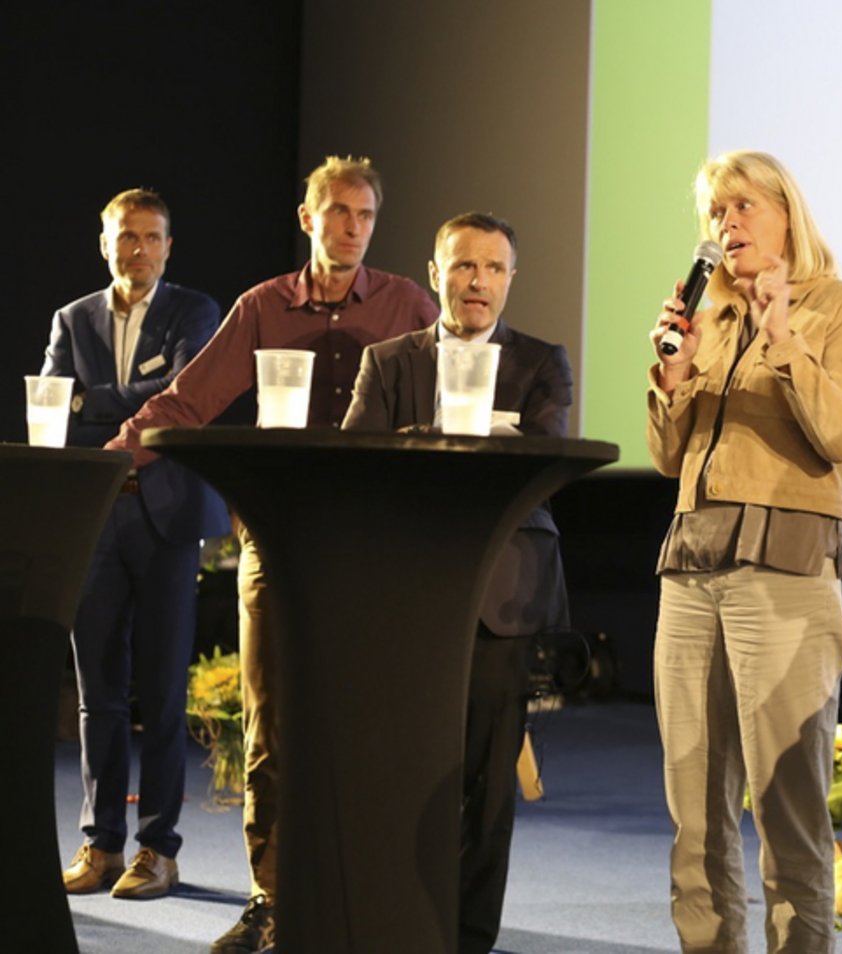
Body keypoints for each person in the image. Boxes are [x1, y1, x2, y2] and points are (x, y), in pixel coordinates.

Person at [106, 156, 438, 954]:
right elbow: (190, 398)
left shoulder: (406, 304)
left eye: (364, 216)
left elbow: (434, 412)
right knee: (271, 729)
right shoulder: (264, 306)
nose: (352, 228)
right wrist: (113, 458)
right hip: (277, 542)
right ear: (307, 218)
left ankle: (360, 898)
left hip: (370, 551)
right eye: (338, 213)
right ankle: (273, 901)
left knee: (368, 728)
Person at [645, 150, 842, 954]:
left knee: (787, 810)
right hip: (691, 568)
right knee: (696, 815)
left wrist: (782, 339)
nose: (727, 224)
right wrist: (672, 380)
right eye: (716, 213)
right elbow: (670, 460)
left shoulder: (839, 307)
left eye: (744, 206)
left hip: (784, 571)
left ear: (788, 214)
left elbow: (841, 433)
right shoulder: (708, 319)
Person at [341, 211, 572, 954]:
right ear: (435, 273)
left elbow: (543, 461)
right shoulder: (389, 361)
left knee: (488, 784)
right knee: (403, 770)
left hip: (504, 593)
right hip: (407, 589)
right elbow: (357, 459)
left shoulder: (541, 362)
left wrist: (425, 446)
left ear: (511, 279)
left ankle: (467, 937)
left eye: (494, 268)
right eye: (464, 266)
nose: (478, 282)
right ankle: (399, 919)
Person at [45, 188, 228, 900]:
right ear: (105, 243)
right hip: (93, 516)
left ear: (169, 247)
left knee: (162, 689)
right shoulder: (72, 319)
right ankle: (101, 846)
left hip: (168, 517)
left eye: (152, 238)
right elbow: (55, 409)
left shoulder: (196, 312)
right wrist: (115, 403)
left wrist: (101, 402)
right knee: (98, 692)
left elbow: (185, 403)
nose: (138, 250)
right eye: (126, 237)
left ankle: (158, 848)